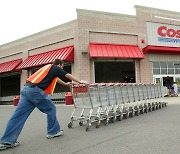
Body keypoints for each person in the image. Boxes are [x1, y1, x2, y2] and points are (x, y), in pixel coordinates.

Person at [0, 59, 85, 151]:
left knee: (18, 116)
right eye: (62, 66)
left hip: (26, 90)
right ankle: (53, 131)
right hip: (35, 91)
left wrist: (65, 84)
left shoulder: (46, 68)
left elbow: (56, 79)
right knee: (51, 109)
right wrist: (80, 82)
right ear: (59, 65)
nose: (61, 68)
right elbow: (68, 75)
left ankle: (6, 141)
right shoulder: (55, 67)